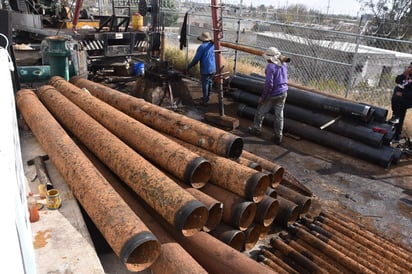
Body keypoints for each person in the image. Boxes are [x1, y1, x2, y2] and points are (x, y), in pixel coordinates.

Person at [248, 47, 289, 145]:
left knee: (260, 110)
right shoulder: (283, 64)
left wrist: (263, 97)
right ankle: (278, 136)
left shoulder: (270, 67)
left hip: (274, 93)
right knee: (279, 116)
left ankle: (256, 129)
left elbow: (269, 85)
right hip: (283, 92)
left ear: (270, 57)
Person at [186, 31, 216, 104]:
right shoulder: (212, 45)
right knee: (210, 82)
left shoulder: (202, 47)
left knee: (205, 83)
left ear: (202, 39)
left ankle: (205, 100)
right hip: (213, 67)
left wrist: (188, 67)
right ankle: (207, 97)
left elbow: (196, 59)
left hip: (206, 68)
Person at [388, 62, 412, 141]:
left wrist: (402, 93)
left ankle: (395, 117)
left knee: (397, 100)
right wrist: (404, 75)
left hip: (409, 99)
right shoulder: (405, 76)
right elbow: (397, 80)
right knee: (400, 112)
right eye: (408, 67)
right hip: (400, 99)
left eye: (411, 68)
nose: (409, 69)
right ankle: (396, 135)